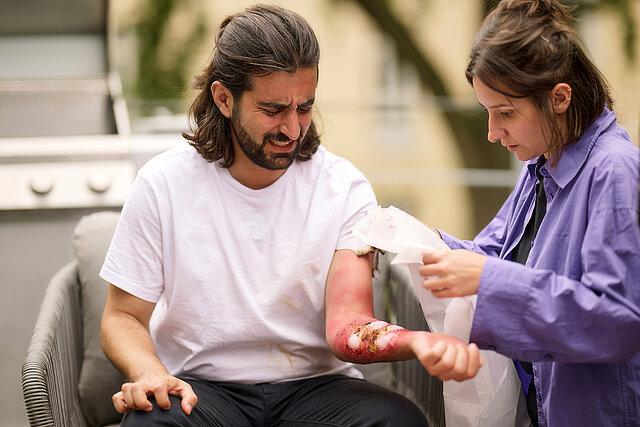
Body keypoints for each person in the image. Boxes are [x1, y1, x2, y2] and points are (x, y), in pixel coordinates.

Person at [100, 4, 482, 426]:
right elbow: (122, 317)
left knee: (398, 420)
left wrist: (416, 342)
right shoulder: (162, 183)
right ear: (224, 98)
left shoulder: (344, 186)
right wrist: (150, 374)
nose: (293, 128)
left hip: (317, 387)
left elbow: (348, 324)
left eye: (304, 106)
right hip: (201, 389)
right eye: (273, 109)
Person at [417, 1, 640, 426]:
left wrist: (484, 278)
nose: (492, 132)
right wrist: (426, 241)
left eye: (505, 113)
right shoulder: (543, 162)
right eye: (487, 112)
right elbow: (496, 255)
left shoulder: (615, 171)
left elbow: (618, 321)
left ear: (559, 98)